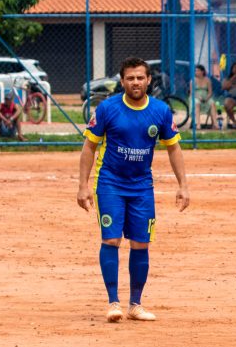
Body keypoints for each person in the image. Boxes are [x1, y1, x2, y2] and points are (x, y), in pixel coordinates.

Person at [76, 57, 190, 324]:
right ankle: (113, 302)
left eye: (140, 77)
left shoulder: (161, 111)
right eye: (130, 78)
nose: (135, 82)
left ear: (149, 80)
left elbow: (173, 148)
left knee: (141, 243)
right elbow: (89, 147)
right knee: (112, 240)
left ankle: (135, 305)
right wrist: (83, 186)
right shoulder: (107, 109)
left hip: (142, 187)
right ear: (122, 81)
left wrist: (183, 185)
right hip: (110, 184)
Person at [194, 65, 219, 129]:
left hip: (206, 96)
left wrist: (207, 98)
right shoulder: (193, 80)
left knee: (212, 103)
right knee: (197, 103)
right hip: (196, 97)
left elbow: (210, 92)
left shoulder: (208, 80)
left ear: (202, 72)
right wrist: (198, 97)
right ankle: (198, 124)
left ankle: (215, 124)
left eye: (198, 71)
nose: (196, 72)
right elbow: (192, 93)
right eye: (195, 71)